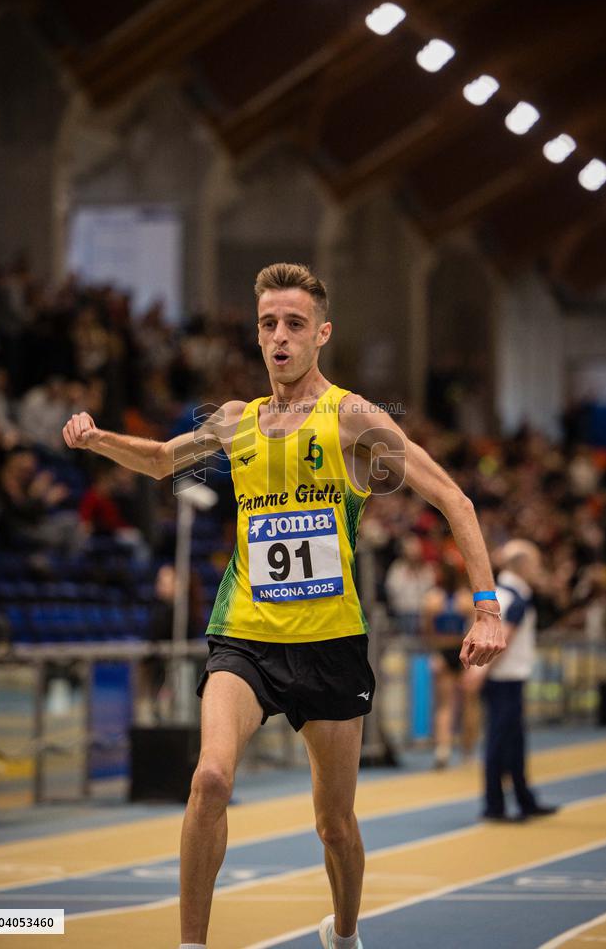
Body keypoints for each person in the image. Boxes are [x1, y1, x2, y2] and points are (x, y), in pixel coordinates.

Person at [63, 262, 506, 949]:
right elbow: (159, 461)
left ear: (322, 334)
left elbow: (454, 498)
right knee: (210, 779)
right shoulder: (235, 421)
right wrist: (97, 440)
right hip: (245, 635)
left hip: (331, 643)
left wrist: (487, 608)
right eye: (268, 323)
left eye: (295, 324)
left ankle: (346, 934)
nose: (279, 336)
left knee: (335, 825)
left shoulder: (352, 417)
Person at [465, 539, 559, 822]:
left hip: (505, 677)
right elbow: (500, 639)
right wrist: (478, 673)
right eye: (536, 563)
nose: (539, 569)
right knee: (499, 741)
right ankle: (495, 805)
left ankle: (523, 798)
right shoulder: (513, 598)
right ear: (523, 565)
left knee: (513, 742)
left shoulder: (503, 595)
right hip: (503, 679)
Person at [420, 566, 479, 769]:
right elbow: (474, 629)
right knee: (468, 703)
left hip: (445, 651)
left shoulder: (432, 599)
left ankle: (443, 749)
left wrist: (435, 651)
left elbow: (427, 631)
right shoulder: (467, 599)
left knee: (445, 704)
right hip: (462, 651)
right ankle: (467, 752)